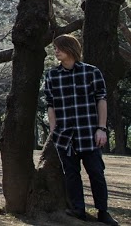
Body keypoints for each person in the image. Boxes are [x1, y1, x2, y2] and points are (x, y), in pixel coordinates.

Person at [44, 34, 119, 225]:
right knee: (71, 174)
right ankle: (78, 210)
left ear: (70, 48)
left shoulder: (91, 72)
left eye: (60, 47)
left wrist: (101, 128)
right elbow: (50, 105)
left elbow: (101, 100)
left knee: (96, 173)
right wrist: (54, 131)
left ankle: (103, 211)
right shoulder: (52, 75)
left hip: (89, 133)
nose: (56, 51)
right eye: (56, 48)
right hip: (65, 136)